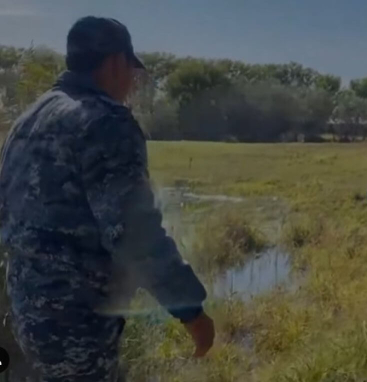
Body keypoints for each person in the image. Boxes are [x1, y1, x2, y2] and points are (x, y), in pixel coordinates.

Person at [0, 16, 214, 381]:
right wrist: (191, 310)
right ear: (116, 62)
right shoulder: (105, 121)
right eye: (132, 68)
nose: (132, 81)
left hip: (24, 313)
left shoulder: (30, 118)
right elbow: (134, 234)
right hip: (75, 324)